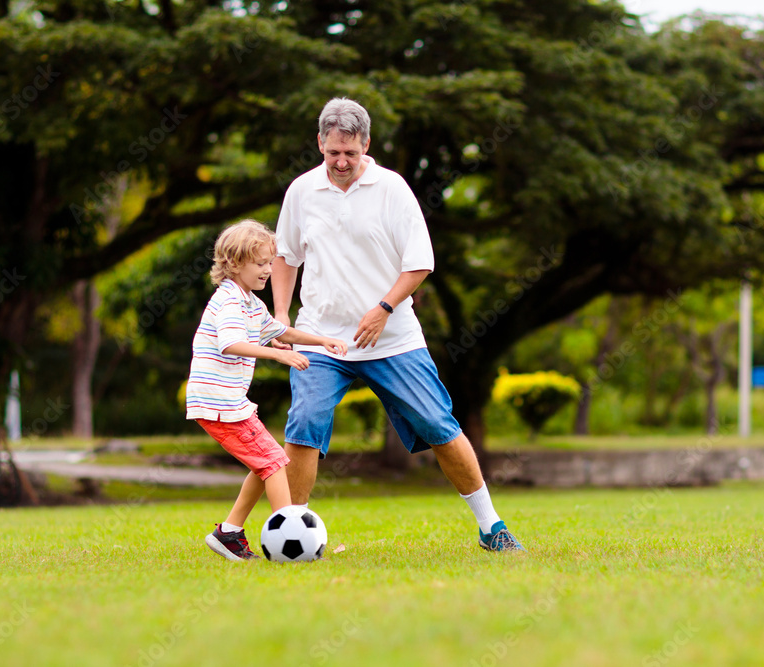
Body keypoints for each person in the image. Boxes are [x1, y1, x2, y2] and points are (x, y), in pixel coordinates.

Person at [271, 98, 525, 552]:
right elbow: (286, 256)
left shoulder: (392, 189)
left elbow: (419, 263)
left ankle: (492, 528)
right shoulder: (301, 192)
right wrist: (282, 315)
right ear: (320, 144)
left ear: (366, 144)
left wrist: (382, 309)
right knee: (304, 425)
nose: (342, 162)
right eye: (333, 153)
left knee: (437, 423)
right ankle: (292, 533)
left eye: (350, 152)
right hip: (321, 339)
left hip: (393, 337)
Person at [186, 219, 348, 561]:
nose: (267, 271)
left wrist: (322, 340)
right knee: (274, 462)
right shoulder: (229, 300)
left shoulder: (250, 303)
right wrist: (277, 354)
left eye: (269, 263)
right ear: (234, 264)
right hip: (219, 404)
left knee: (265, 464)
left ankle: (228, 532)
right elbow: (231, 343)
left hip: (229, 403)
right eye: (260, 264)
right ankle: (290, 537)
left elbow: (281, 331)